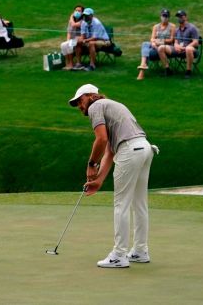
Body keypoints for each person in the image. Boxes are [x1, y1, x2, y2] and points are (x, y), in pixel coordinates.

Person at [69, 83, 156, 268]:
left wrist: (91, 164)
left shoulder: (96, 106)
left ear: (90, 96)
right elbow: (110, 149)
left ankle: (119, 255)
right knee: (139, 203)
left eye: (80, 101)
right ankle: (140, 251)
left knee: (121, 204)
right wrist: (99, 180)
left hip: (130, 150)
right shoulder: (112, 106)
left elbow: (101, 139)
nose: (80, 106)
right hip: (145, 148)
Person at [136, 10, 176, 80]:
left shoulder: (172, 26)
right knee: (145, 43)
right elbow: (152, 38)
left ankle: (141, 72)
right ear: (160, 16)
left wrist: (159, 42)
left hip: (166, 47)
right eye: (163, 16)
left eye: (166, 16)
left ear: (169, 17)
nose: (164, 18)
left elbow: (171, 40)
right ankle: (143, 65)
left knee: (147, 52)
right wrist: (153, 43)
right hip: (155, 47)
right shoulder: (156, 26)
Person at [74, 8, 110, 72]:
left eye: (87, 15)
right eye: (84, 15)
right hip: (89, 40)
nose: (86, 17)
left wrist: (85, 40)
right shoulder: (83, 23)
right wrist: (80, 40)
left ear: (92, 15)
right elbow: (83, 35)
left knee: (91, 43)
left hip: (103, 41)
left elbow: (94, 37)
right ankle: (78, 64)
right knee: (78, 42)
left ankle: (92, 65)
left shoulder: (97, 23)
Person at [171, 10, 200, 78]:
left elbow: (195, 42)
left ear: (185, 17)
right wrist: (176, 46)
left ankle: (188, 71)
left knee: (188, 49)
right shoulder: (177, 29)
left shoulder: (192, 28)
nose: (179, 18)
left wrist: (186, 47)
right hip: (179, 50)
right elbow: (175, 41)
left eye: (181, 16)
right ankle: (167, 69)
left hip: (191, 50)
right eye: (178, 17)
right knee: (162, 48)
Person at [60, 6, 85, 71]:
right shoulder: (71, 21)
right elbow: (69, 32)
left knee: (70, 45)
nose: (77, 12)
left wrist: (71, 17)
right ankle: (67, 64)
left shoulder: (83, 21)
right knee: (63, 45)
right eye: (76, 10)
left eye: (79, 11)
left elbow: (74, 25)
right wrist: (68, 40)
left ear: (82, 13)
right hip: (72, 40)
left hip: (81, 39)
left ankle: (71, 64)